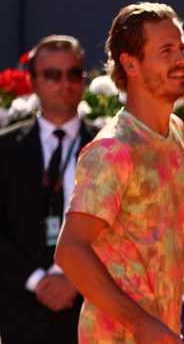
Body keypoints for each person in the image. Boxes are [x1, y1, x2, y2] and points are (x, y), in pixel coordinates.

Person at [55, 2, 184, 343]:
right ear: (130, 63)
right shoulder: (112, 149)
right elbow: (70, 250)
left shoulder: (175, 131)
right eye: (166, 51)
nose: (181, 59)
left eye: (182, 48)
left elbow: (167, 225)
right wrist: (140, 324)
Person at [0, 35, 99, 343]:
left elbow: (119, 228)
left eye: (73, 73)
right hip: (20, 306)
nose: (64, 83)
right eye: (53, 75)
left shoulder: (107, 145)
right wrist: (37, 281)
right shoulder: (5, 147)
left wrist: (74, 281)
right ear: (33, 83)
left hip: (91, 306)